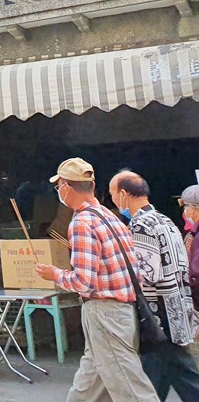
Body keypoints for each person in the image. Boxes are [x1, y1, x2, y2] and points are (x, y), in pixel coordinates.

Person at [35, 158, 160, 402]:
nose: (58, 191)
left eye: (58, 186)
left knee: (132, 391)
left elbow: (84, 282)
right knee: (87, 388)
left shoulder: (81, 222)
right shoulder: (110, 217)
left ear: (67, 187)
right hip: (122, 311)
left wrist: (55, 275)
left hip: (104, 313)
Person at [111, 171, 199, 401]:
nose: (112, 200)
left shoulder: (141, 225)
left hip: (158, 317)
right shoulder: (165, 220)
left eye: (112, 194)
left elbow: (148, 274)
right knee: (159, 377)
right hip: (176, 309)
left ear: (123, 194)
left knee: (183, 376)